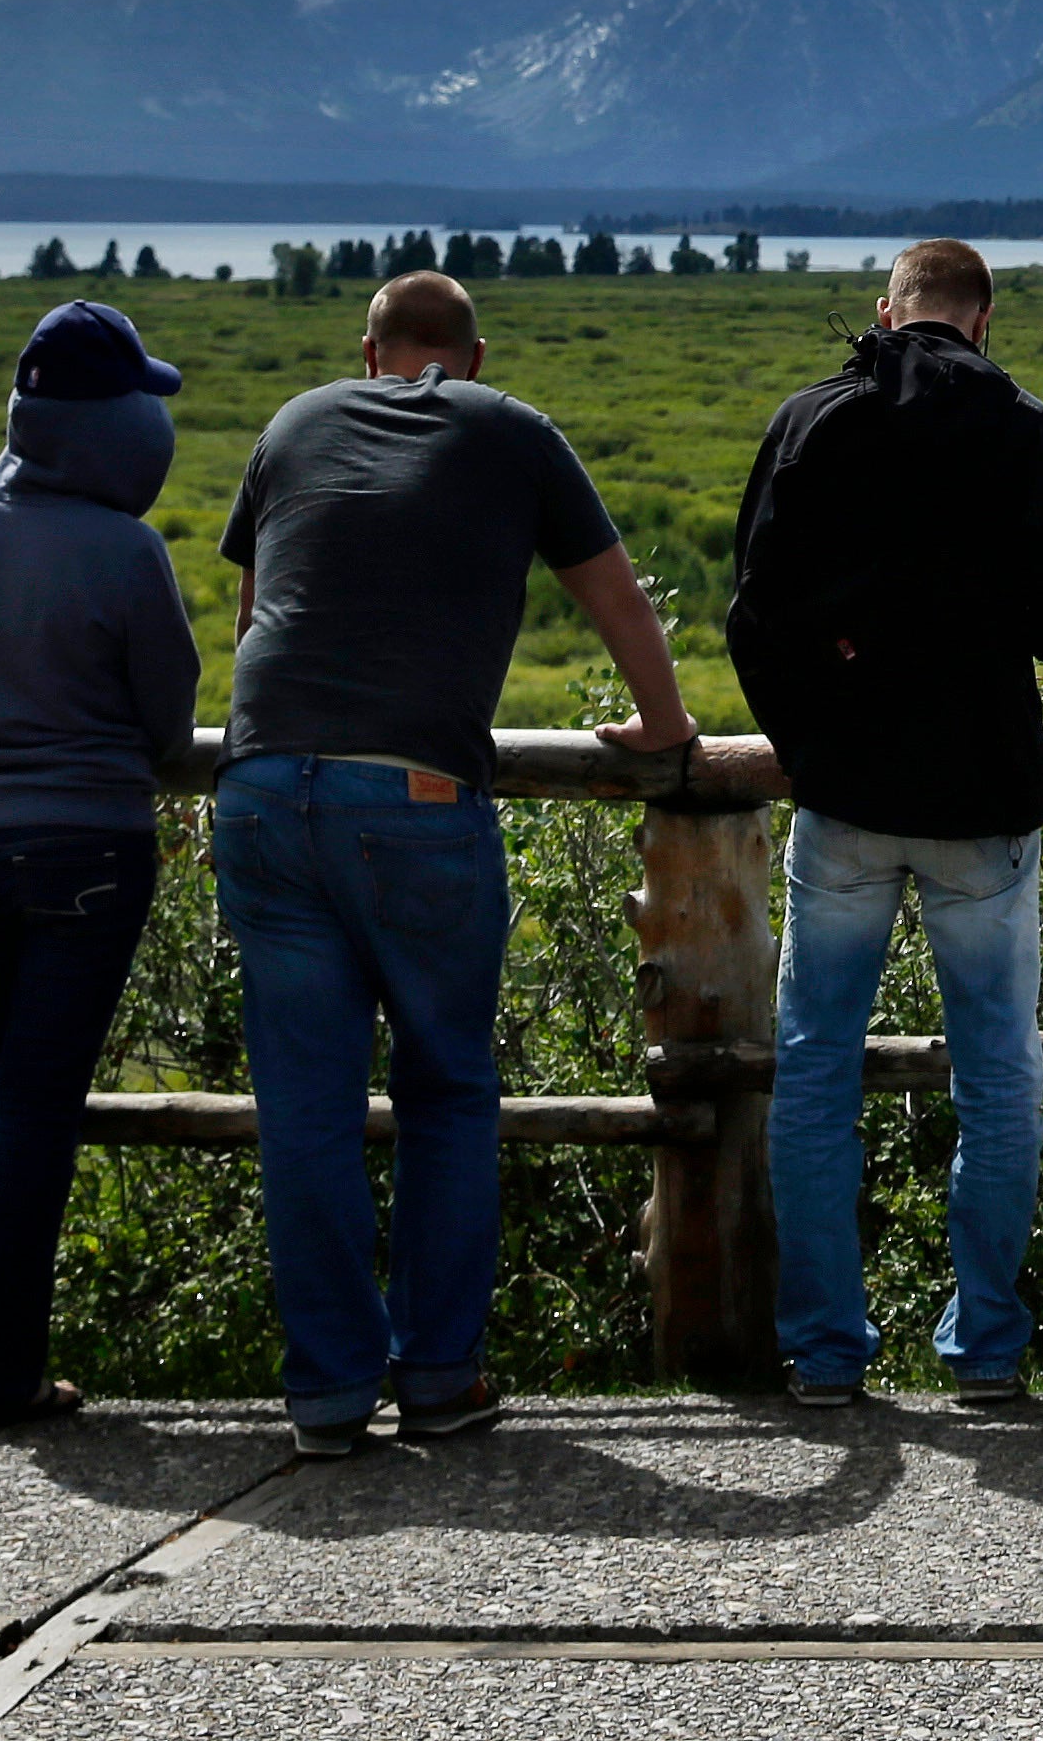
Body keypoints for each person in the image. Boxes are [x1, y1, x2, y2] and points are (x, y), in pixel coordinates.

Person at [215, 269, 693, 1457]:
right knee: (445, 1086)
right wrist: (667, 733)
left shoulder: (293, 422)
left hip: (265, 785)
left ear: (365, 348)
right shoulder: (512, 428)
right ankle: (438, 1375)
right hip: (417, 791)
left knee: (306, 1108)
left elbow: (251, 621)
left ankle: (327, 1392)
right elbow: (619, 600)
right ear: (474, 357)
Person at [723, 239, 1043, 1411]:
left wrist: (815, 741)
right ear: (983, 323)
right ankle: (986, 1344)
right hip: (983, 797)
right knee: (998, 1069)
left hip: (844, 802)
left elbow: (754, 612)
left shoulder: (813, 419)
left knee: (813, 1065)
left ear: (884, 311)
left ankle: (828, 1351)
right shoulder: (1028, 431)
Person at [0, 298, 204, 1429]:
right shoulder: (126, 549)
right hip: (85, 852)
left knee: (9, 1097)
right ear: (111, 427)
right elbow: (170, 731)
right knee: (38, 1109)